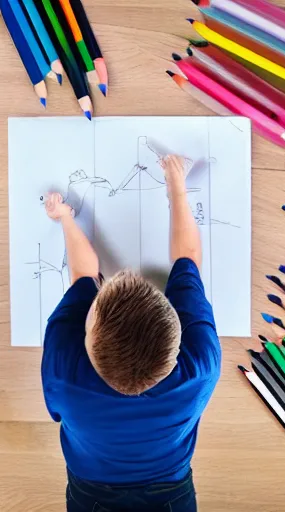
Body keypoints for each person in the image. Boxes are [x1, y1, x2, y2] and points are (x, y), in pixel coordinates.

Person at [42, 155, 221, 512]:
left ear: (86, 341)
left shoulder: (65, 369)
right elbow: (188, 258)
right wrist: (177, 184)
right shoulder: (201, 365)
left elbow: (83, 277)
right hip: (168, 489)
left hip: (91, 488)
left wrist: (64, 219)